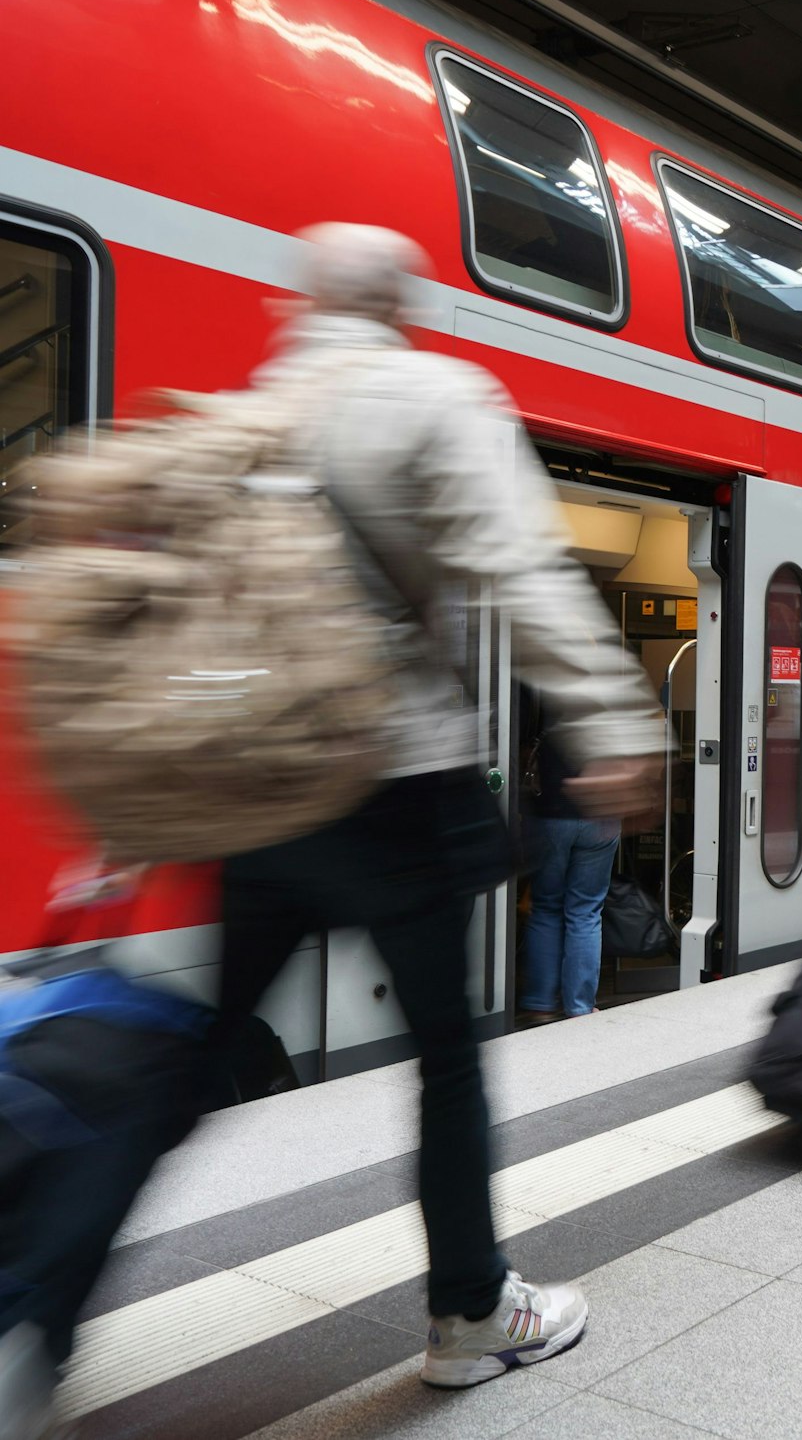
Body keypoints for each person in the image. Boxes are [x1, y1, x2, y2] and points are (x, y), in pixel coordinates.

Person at [4, 224, 669, 1409]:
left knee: (191, 1066)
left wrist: (132, 825)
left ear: (300, 304)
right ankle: (471, 1311)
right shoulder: (434, 392)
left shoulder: (253, 409)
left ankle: (32, 1325)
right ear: (403, 302)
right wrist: (618, 722)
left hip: (260, 795)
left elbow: (177, 632)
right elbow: (519, 566)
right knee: (448, 1064)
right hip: (398, 784)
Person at [519, 698, 621, 1022]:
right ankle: (579, 1006)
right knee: (586, 910)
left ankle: (539, 1003)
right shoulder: (612, 696)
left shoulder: (544, 694)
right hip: (601, 817)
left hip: (552, 814)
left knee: (546, 906)